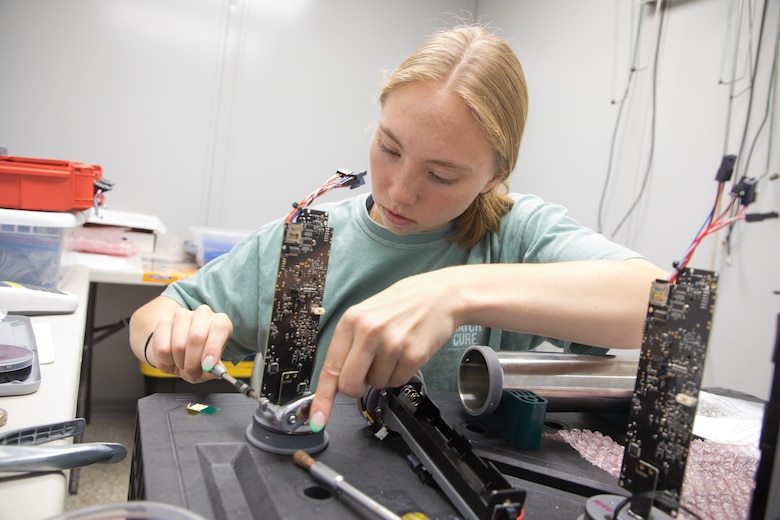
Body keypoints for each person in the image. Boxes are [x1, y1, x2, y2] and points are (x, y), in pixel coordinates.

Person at [129, 24, 668, 432]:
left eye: (442, 175)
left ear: (494, 176)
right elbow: (156, 313)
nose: (399, 191)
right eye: (389, 149)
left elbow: (667, 309)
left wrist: (452, 293)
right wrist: (168, 338)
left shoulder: (515, 238)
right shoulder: (312, 248)